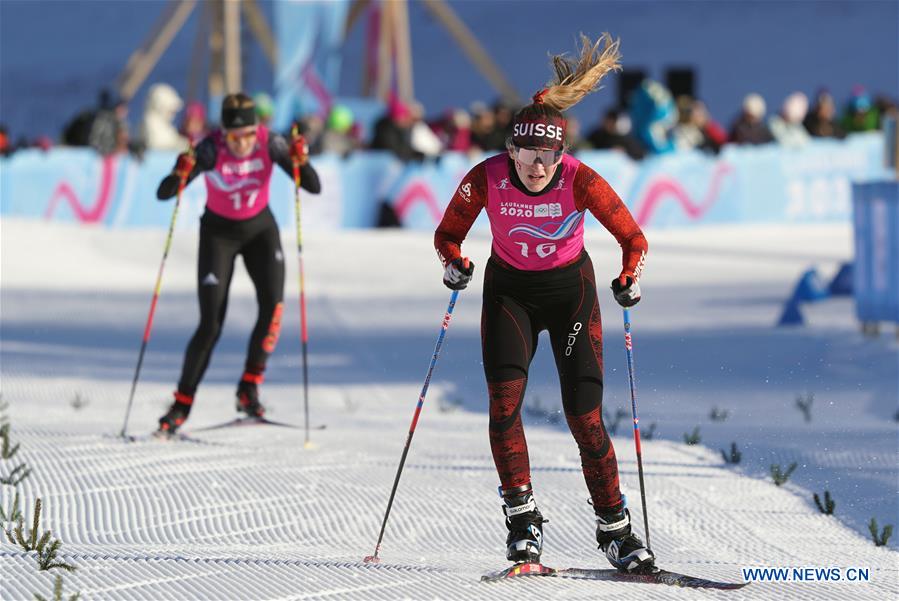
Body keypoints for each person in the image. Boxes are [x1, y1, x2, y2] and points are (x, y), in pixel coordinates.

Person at [433, 33, 653, 573]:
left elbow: (635, 240)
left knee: (585, 416)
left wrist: (629, 277)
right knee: (504, 407)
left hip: (570, 295)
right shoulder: (486, 178)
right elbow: (447, 235)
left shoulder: (580, 181)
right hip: (510, 294)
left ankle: (616, 528)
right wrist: (454, 264)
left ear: (561, 153)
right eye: (528, 155)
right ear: (511, 150)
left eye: (548, 155)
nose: (538, 167)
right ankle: (522, 523)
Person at [155, 92, 321, 435]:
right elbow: (165, 193)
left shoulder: (270, 143)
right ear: (223, 134)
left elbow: (313, 186)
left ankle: (249, 388)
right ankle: (181, 404)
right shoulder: (209, 149)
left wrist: (300, 161)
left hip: (260, 230)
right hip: (219, 235)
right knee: (211, 324)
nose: (243, 143)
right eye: (235, 137)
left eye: (248, 135)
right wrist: (179, 173)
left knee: (273, 307)